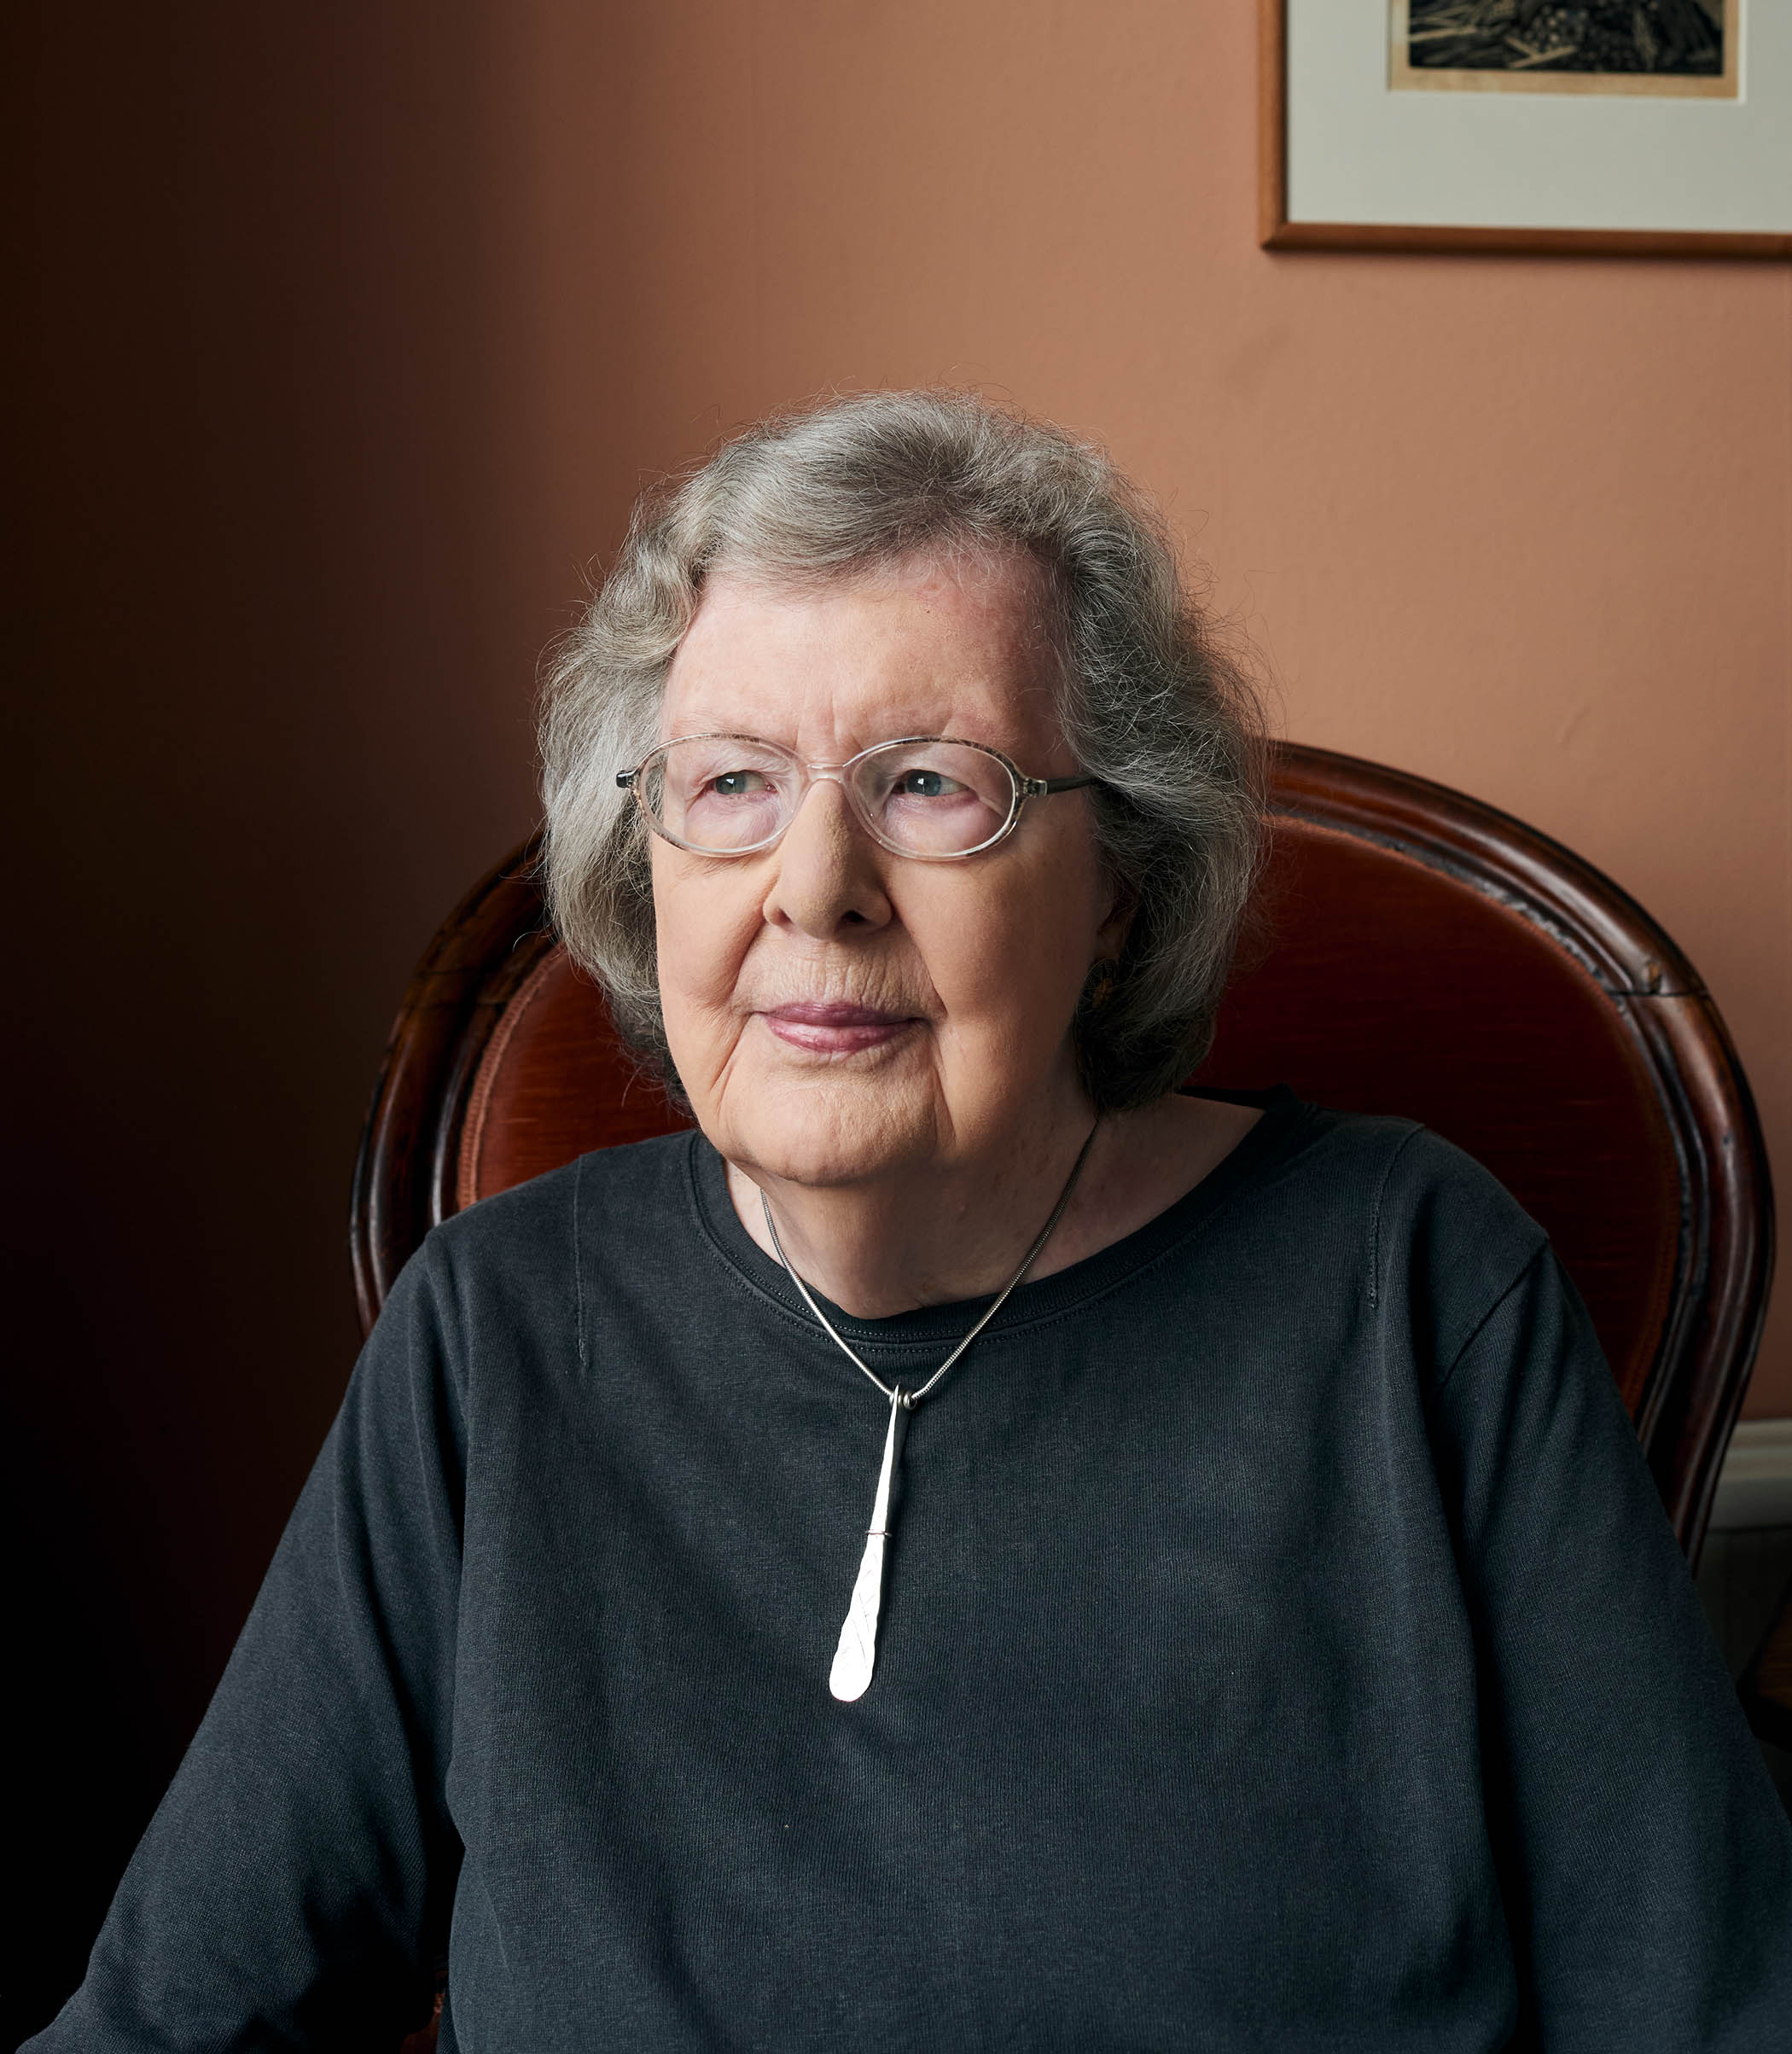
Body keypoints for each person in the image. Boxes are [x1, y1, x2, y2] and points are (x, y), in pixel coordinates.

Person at [30, 391, 1792, 2052]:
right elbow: (180, 2012)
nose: (815, 888)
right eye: (730, 785)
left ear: (1117, 890)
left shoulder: (1416, 1288)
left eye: (933, 785)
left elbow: (1703, 1997)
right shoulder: (498, 1330)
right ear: (643, 863)